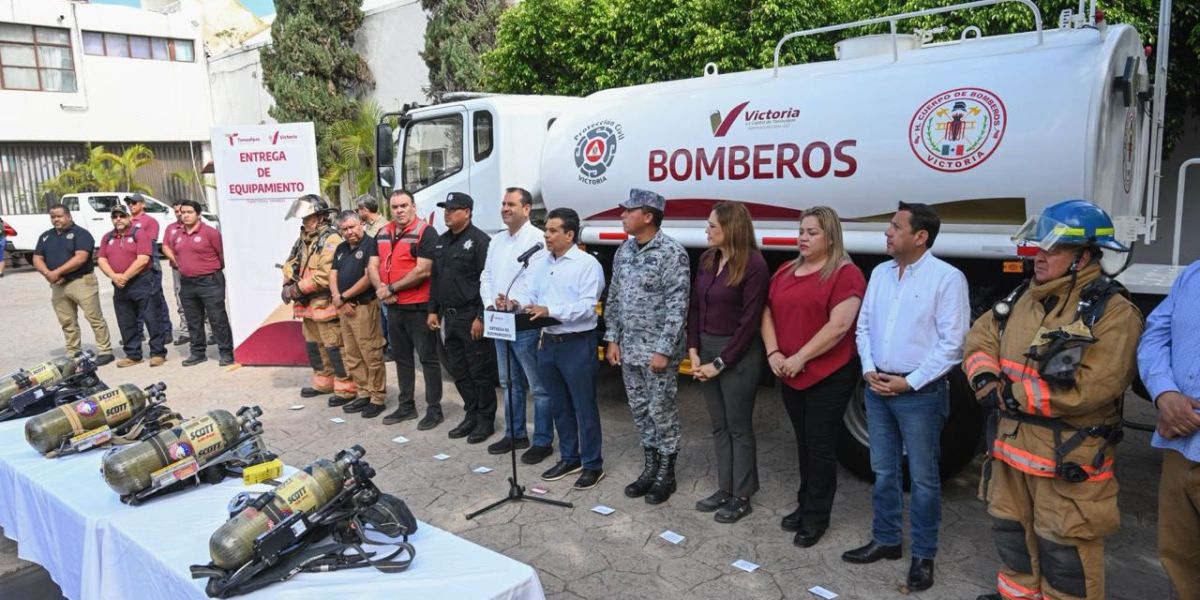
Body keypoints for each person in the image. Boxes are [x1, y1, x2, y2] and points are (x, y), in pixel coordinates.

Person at [965, 200, 1142, 600]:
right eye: (1038, 247)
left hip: (1067, 459)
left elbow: (1093, 385)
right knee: (1012, 537)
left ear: (1084, 256)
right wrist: (984, 377)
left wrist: (1010, 394)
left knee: (1066, 557)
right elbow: (981, 337)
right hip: (1012, 450)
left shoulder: (1113, 313)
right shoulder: (1024, 295)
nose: (1039, 256)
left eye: (1053, 249)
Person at [843, 202, 968, 593]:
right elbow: (864, 327)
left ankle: (924, 555)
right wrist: (867, 369)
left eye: (895, 227)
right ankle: (887, 540)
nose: (887, 232)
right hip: (877, 387)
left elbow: (953, 346)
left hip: (920, 395)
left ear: (920, 237)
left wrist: (910, 382)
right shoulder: (880, 273)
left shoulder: (947, 279)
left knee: (925, 479)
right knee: (884, 471)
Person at [761, 206, 865, 539]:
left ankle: (817, 518)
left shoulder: (845, 274)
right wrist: (774, 352)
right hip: (790, 370)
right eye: (801, 231)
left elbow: (839, 327)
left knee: (819, 446)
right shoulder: (785, 271)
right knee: (804, 443)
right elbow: (767, 311)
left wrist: (800, 357)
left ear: (831, 236)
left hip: (827, 374)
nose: (803, 238)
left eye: (812, 232)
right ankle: (805, 503)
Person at [604, 189, 689, 504]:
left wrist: (664, 350)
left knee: (661, 410)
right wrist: (612, 338)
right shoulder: (624, 251)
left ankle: (667, 472)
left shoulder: (671, 253)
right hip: (629, 348)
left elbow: (678, 307)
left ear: (648, 216)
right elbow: (613, 297)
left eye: (628, 211)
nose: (622, 215)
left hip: (657, 352)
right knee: (640, 410)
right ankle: (650, 467)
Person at [687, 202, 769, 522]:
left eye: (712, 226)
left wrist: (719, 362)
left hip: (737, 354)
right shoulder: (709, 259)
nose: (706, 231)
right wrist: (693, 350)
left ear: (731, 229)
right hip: (706, 349)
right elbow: (695, 306)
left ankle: (742, 494)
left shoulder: (754, 265)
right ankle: (725, 486)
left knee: (738, 427)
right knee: (718, 424)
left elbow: (749, 323)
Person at [524, 207, 606, 489]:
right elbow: (533, 296)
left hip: (576, 343)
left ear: (569, 234)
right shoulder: (542, 263)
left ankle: (593, 464)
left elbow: (586, 307)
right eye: (546, 230)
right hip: (548, 342)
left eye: (553, 230)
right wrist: (515, 304)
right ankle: (570, 457)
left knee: (583, 407)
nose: (546, 235)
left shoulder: (587, 265)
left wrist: (551, 309)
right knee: (560, 405)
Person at [1138, 259, 1200, 600]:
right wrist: (1165, 393)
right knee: (1180, 561)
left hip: (1184, 429)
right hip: (1181, 447)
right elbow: (1155, 335)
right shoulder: (1193, 274)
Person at [482, 187, 554, 464]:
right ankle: (515, 434)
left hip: (524, 321)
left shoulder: (537, 240)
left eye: (511, 204)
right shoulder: (497, 241)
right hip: (499, 320)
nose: (504, 208)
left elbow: (536, 280)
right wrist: (491, 302)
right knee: (508, 381)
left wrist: (515, 302)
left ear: (526, 209)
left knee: (538, 387)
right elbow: (486, 275)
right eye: (502, 203)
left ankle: (543, 440)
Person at [427, 192, 497, 443]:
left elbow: (487, 281)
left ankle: (486, 420)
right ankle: (472, 412)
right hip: (449, 316)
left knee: (479, 370)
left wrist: (481, 316)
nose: (447, 213)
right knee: (459, 370)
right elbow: (436, 278)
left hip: (471, 315)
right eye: (445, 209)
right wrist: (432, 310)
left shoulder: (480, 241)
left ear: (467, 212)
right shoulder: (442, 242)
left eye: (453, 209)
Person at [369, 189, 443, 429]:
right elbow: (372, 265)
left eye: (404, 205)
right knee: (401, 358)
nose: (399, 210)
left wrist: (390, 289)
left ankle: (434, 409)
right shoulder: (382, 232)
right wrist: (381, 288)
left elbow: (423, 270)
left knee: (428, 359)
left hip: (418, 307)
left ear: (413, 207)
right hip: (393, 307)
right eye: (395, 207)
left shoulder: (425, 232)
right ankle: (406, 406)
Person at [281, 194, 355, 402]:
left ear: (321, 217)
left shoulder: (331, 239)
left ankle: (346, 388)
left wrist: (297, 290)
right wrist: (287, 283)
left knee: (335, 348)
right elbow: (291, 264)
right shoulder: (303, 240)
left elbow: (324, 275)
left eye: (308, 218)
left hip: (325, 304)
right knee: (315, 346)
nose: (304, 222)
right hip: (308, 306)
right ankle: (324, 383)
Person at [32, 204, 114, 364]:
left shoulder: (81, 234)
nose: (56, 219)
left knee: (94, 317)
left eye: (59, 216)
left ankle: (105, 350)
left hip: (81, 281)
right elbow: (37, 258)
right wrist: (49, 274)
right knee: (67, 321)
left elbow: (80, 258)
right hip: (57, 284)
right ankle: (73, 351)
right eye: (53, 217)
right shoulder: (45, 236)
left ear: (69, 216)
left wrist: (57, 272)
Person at [329, 211, 388, 419]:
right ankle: (363, 393)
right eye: (344, 229)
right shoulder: (341, 248)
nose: (349, 232)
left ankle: (377, 397)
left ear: (361, 225)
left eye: (352, 227)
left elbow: (367, 277)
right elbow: (333, 274)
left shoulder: (371, 244)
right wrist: (337, 298)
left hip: (364, 307)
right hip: (345, 309)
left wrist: (343, 296)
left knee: (370, 353)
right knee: (352, 355)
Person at [97, 204, 169, 368]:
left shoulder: (139, 234)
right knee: (126, 320)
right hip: (119, 284)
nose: (118, 219)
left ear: (129, 217)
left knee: (152, 317)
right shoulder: (107, 237)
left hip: (142, 281)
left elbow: (143, 259)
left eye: (121, 216)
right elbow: (101, 259)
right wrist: (114, 276)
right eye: (115, 216)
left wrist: (125, 276)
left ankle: (158, 353)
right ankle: (133, 354)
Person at [170, 200, 235, 366]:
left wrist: (210, 271)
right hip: (187, 283)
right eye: (182, 212)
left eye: (189, 212)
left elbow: (222, 255)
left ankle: (226, 352)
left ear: (198, 214)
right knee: (193, 319)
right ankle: (197, 352)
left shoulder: (210, 233)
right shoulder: (177, 234)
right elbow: (176, 256)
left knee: (217, 318)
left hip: (210, 281)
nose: (185, 215)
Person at [124, 193, 173, 342]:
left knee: (156, 297)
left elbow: (149, 244)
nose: (131, 205)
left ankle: (165, 331)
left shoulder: (149, 221)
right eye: (129, 203)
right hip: (131, 265)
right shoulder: (126, 221)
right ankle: (138, 332)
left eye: (134, 203)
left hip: (148, 263)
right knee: (133, 300)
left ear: (142, 204)